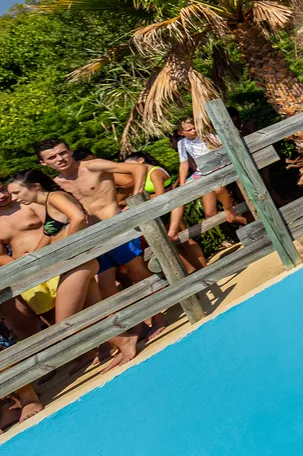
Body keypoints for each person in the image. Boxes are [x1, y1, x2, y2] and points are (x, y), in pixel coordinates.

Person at [0, 172, 128, 366]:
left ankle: (123, 340)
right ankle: (108, 345)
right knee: (89, 312)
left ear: (34, 187)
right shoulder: (44, 199)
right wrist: (29, 261)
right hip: (45, 268)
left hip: (66, 262)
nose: (7, 196)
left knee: (66, 322)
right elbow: (53, 229)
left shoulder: (43, 200)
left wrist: (62, 251)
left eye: (7, 190)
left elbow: (72, 220)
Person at [35, 141, 154, 305]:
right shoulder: (56, 185)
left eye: (62, 153)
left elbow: (139, 168)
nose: (59, 159)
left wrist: (137, 196)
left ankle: (159, 311)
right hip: (91, 236)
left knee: (135, 271)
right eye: (52, 157)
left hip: (116, 226)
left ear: (70, 151)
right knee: (104, 286)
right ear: (43, 163)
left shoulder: (92, 166)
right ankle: (137, 318)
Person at [123, 152, 206, 272]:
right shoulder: (144, 176)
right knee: (175, 244)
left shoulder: (155, 172)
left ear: (141, 160)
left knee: (186, 241)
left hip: (169, 210)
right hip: (162, 213)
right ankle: (193, 270)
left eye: (130, 165)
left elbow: (160, 194)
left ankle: (203, 268)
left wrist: (142, 201)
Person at [175, 119, 245, 229]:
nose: (193, 131)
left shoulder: (206, 136)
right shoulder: (182, 143)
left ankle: (228, 208)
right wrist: (182, 183)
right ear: (181, 133)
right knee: (179, 194)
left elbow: (223, 146)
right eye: (189, 130)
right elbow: (184, 163)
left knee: (218, 189)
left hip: (217, 166)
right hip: (202, 171)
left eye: (194, 127)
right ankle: (173, 230)